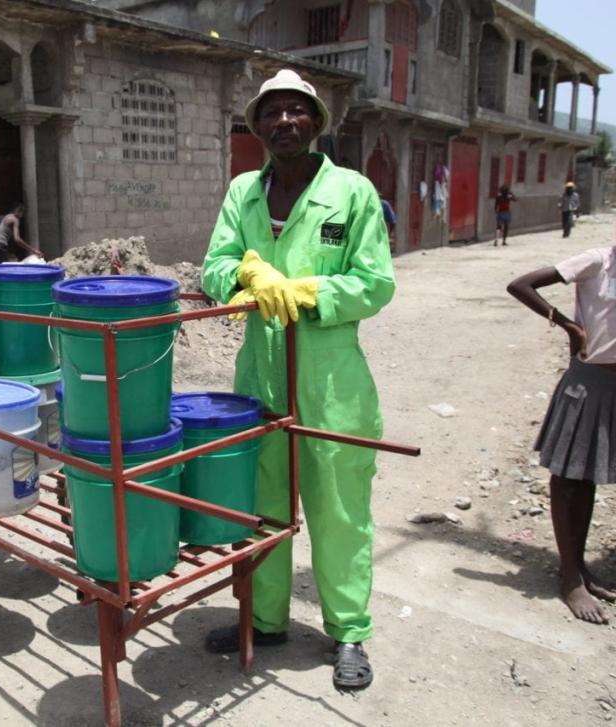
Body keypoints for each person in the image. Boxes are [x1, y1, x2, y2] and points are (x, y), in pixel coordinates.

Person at [201, 69, 395, 690]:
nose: (285, 121)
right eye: (272, 113)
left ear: (317, 122)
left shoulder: (352, 193)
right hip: (258, 376)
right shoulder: (242, 193)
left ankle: (349, 633)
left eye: (298, 111)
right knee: (261, 507)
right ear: (257, 127)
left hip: (331, 380)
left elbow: (375, 282)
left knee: (339, 511)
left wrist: (311, 292)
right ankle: (266, 619)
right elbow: (214, 267)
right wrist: (247, 277)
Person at [506, 182, 616, 625]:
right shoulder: (597, 261)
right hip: (585, 384)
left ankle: (579, 563)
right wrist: (567, 326)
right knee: (568, 477)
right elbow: (521, 284)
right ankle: (568, 575)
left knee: (589, 478)